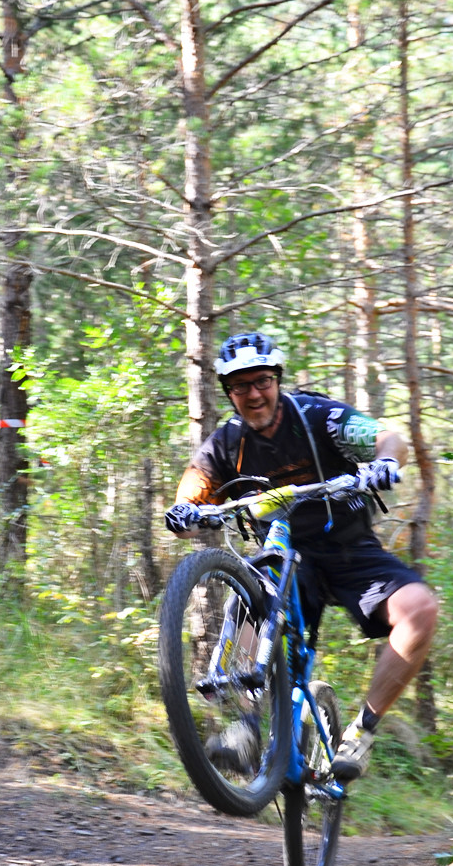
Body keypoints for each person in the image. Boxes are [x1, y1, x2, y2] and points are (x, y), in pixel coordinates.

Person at [164, 331, 438, 783]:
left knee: (420, 610)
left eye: (263, 381)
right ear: (229, 393)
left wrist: (384, 462)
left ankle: (362, 731)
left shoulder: (317, 416)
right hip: (285, 554)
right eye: (241, 385)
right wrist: (187, 509)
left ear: (277, 380)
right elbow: (197, 482)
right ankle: (245, 728)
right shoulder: (227, 441)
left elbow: (385, 437)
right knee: (252, 598)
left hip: (350, 549)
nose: (254, 393)